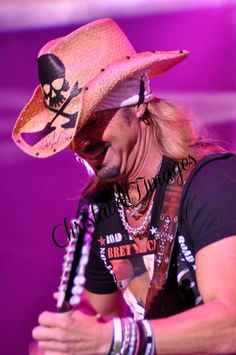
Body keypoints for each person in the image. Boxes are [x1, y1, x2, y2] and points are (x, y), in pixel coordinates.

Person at [12, 18, 236, 355]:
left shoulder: (211, 181)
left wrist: (117, 339)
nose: (80, 143)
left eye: (91, 121)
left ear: (138, 104)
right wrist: (68, 340)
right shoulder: (98, 206)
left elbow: (231, 326)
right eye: (71, 132)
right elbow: (97, 315)